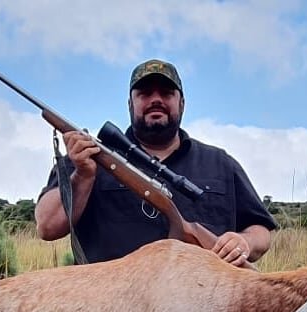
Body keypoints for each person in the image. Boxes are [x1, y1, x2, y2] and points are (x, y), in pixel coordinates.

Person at [35, 59, 277, 266]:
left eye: (166, 93)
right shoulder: (87, 157)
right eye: (145, 93)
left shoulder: (220, 163)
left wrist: (244, 242)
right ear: (130, 104)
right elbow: (47, 227)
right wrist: (83, 176)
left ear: (182, 103)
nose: (156, 99)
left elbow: (261, 230)